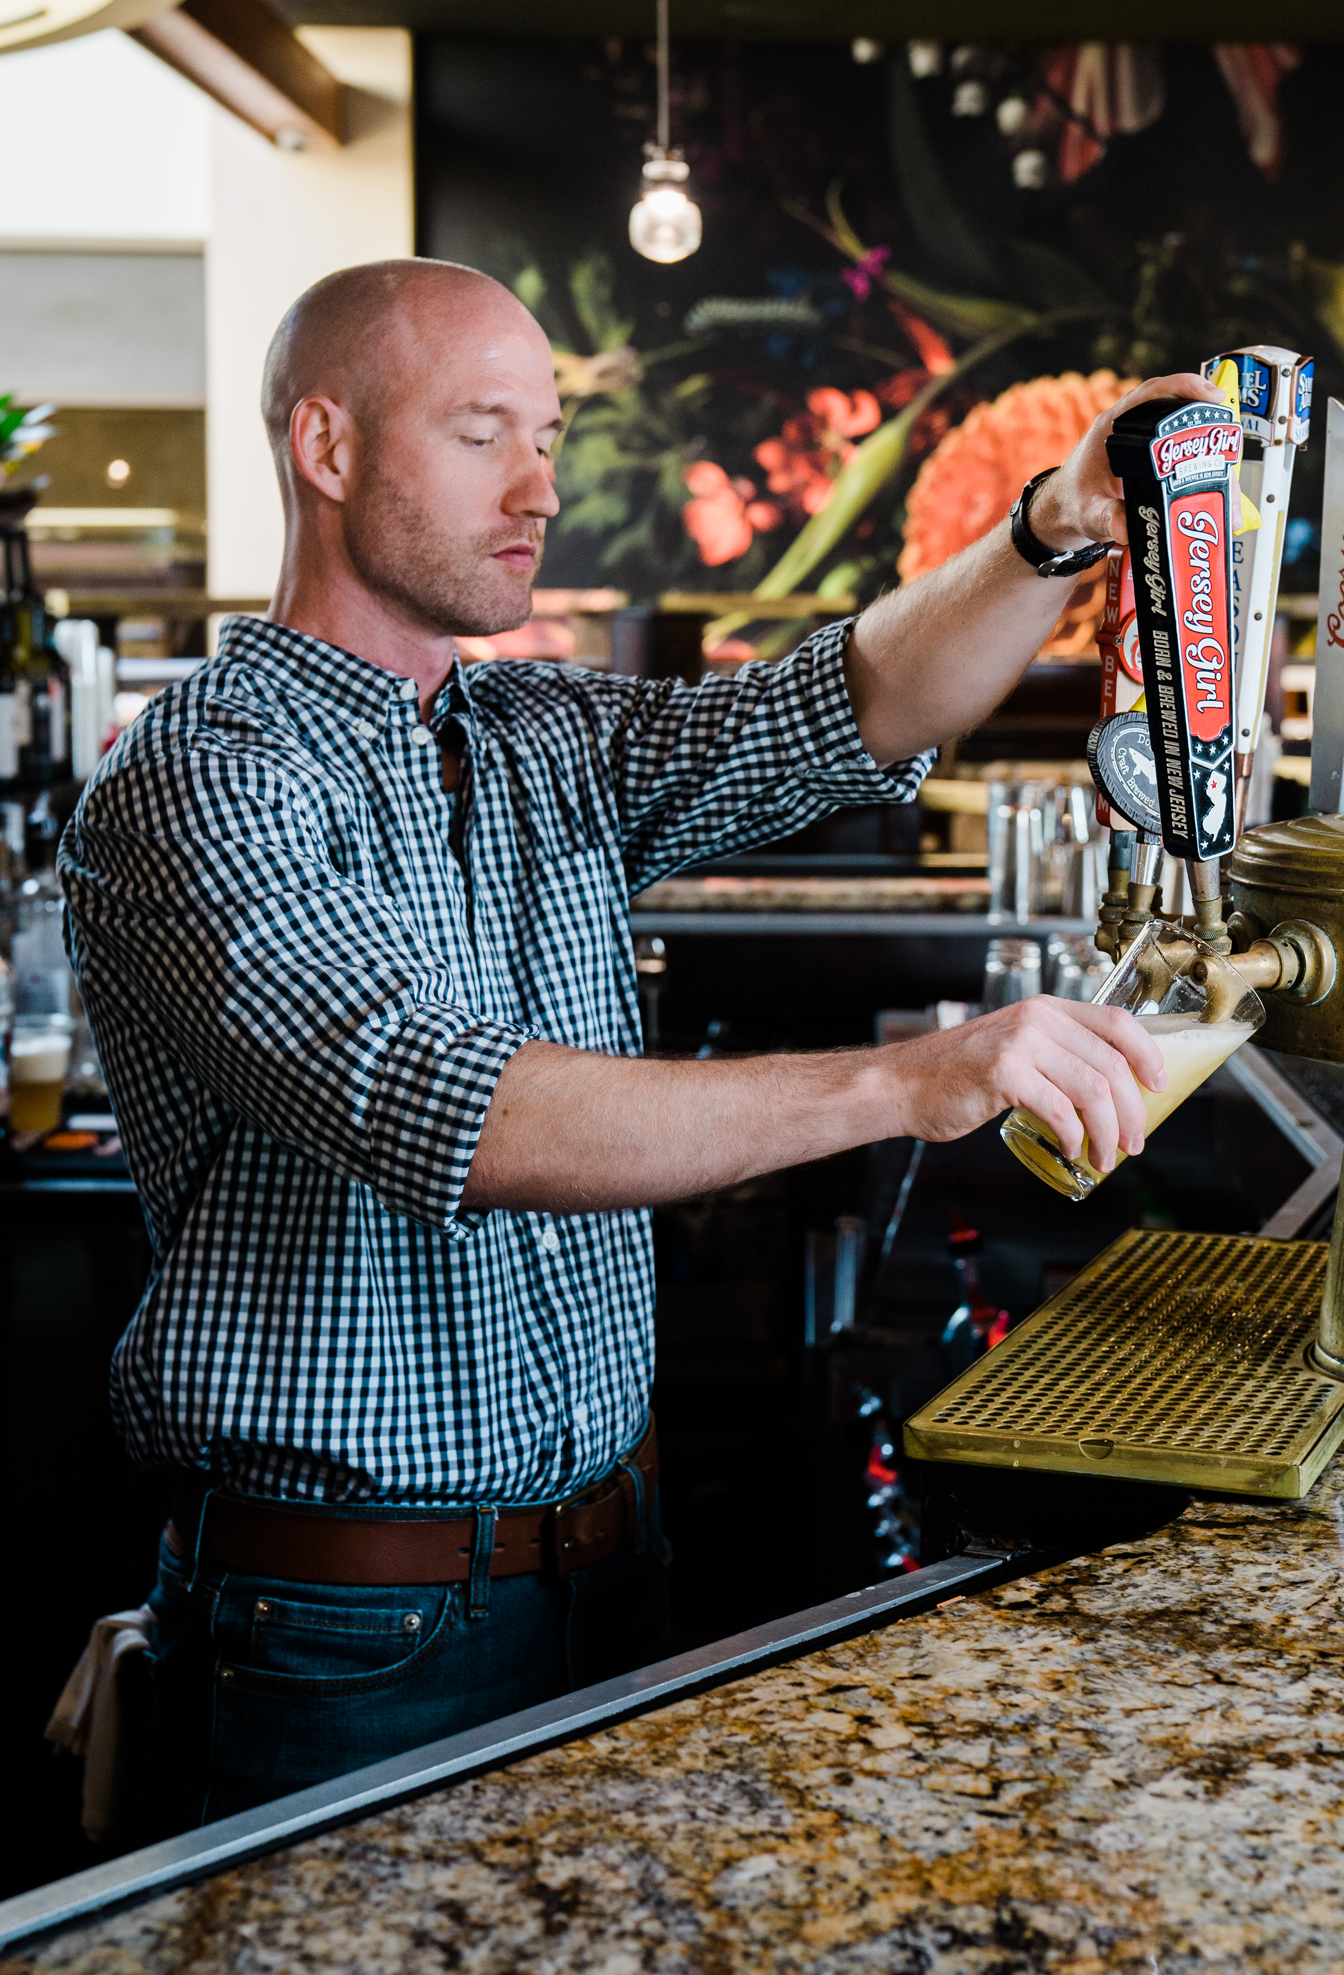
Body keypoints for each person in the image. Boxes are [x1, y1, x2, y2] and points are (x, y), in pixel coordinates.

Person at [60, 256, 1216, 1830]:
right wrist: (905, 1080)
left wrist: (1047, 529)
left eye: (547, 436)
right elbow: (460, 1115)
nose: (538, 487)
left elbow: (842, 708)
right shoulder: (203, 783)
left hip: (615, 1569)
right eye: (484, 435)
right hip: (348, 1632)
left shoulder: (536, 733)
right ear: (325, 451)